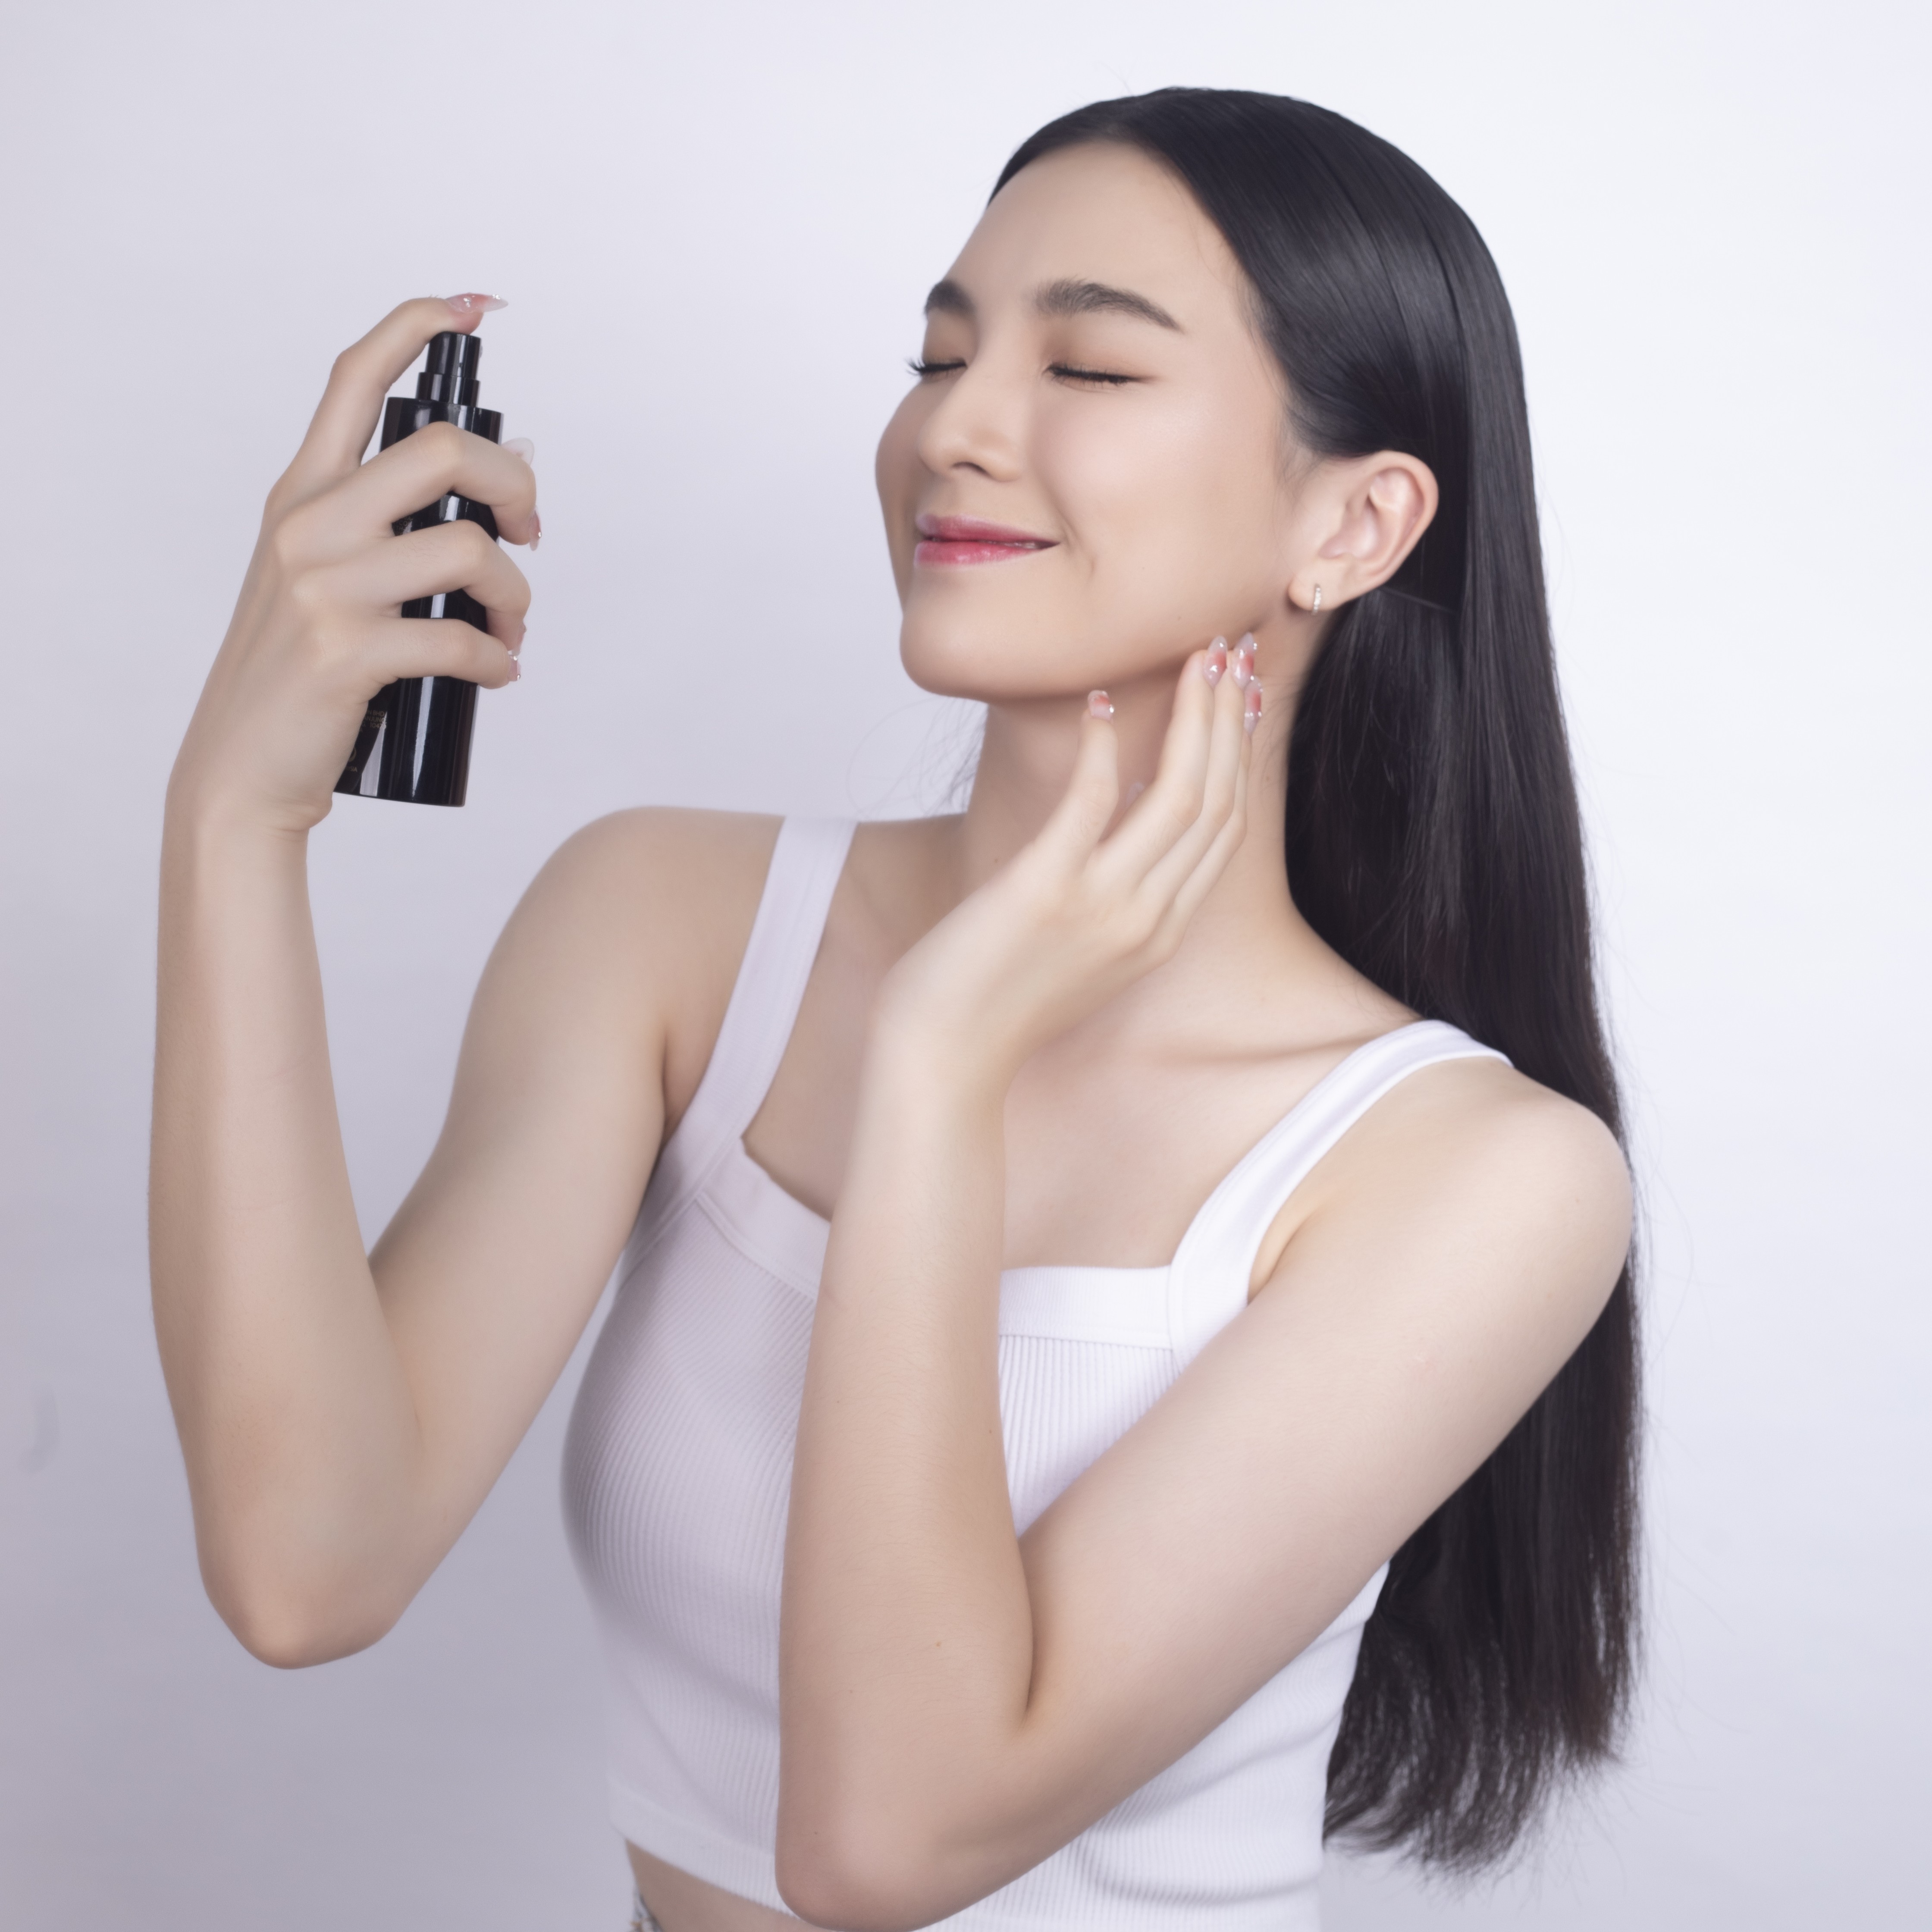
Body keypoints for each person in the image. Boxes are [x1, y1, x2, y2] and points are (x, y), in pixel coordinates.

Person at [151, 88, 1638, 1932]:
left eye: (1087, 366)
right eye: (939, 356)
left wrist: (939, 1061)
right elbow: (308, 1563)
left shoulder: (1479, 1177)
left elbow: (884, 1845)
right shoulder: (665, 924)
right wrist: (233, 817)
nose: (955, 427)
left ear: (1355, 521)